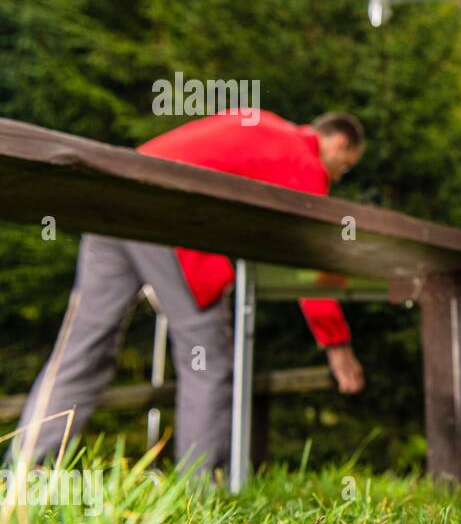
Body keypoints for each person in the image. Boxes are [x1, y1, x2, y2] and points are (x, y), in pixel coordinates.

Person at [12, 109, 367, 473]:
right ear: (338, 142)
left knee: (82, 345)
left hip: (113, 195)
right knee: (207, 358)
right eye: (345, 165)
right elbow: (310, 259)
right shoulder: (303, 160)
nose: (338, 174)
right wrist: (336, 344)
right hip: (165, 214)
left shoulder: (261, 121)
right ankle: (197, 490)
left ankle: (26, 470)